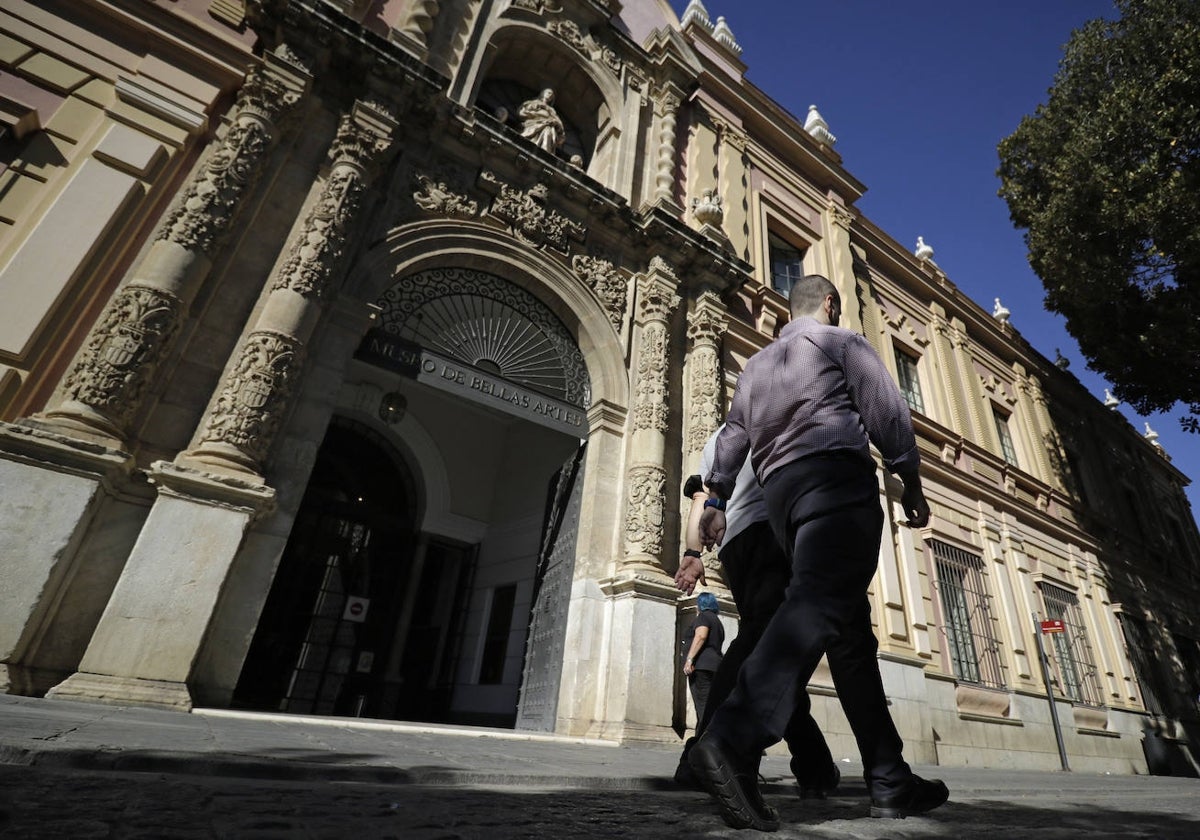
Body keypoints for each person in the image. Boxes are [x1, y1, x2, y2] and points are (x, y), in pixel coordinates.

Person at [687, 274, 949, 831]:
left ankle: (888, 775)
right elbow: (886, 410)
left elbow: (733, 437)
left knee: (850, 631)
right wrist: (911, 479)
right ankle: (733, 738)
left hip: (783, 496)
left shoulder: (757, 367)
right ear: (830, 303)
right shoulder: (839, 342)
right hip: (836, 479)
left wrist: (714, 497)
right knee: (819, 602)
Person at [673, 430, 841, 800]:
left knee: (768, 644)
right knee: (767, 643)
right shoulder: (775, 412)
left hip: (733, 543)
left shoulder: (717, 440)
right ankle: (708, 749)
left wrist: (693, 553)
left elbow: (700, 500)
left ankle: (814, 765)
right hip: (772, 531)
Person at [681, 592, 724, 725]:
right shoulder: (717, 621)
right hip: (714, 666)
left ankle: (706, 739)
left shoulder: (704, 617)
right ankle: (700, 739)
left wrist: (689, 660)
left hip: (701, 667)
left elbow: (700, 636)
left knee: (703, 707)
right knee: (708, 705)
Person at [519, 88, 565, 155]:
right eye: (549, 93)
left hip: (547, 127)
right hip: (532, 124)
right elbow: (521, 113)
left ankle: (544, 153)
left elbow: (560, 127)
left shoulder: (552, 110)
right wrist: (537, 114)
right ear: (543, 93)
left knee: (548, 130)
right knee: (546, 129)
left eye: (552, 96)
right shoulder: (533, 103)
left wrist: (555, 122)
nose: (550, 95)